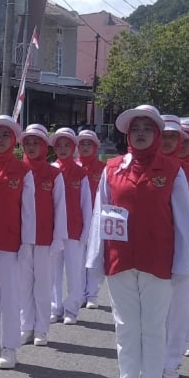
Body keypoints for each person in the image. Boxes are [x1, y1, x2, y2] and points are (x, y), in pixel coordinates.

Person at [86, 105, 189, 378]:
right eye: (135, 129)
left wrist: (181, 265)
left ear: (157, 134)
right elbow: (100, 215)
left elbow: (183, 222)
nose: (141, 133)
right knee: (125, 326)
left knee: (153, 327)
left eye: (147, 128)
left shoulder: (172, 170)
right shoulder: (113, 168)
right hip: (120, 259)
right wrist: (96, 259)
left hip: (157, 260)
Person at [0, 115, 34, 371]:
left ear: (13, 140)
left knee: (11, 296)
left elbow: (29, 211)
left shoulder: (23, 171)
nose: (0, 140)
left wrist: (27, 244)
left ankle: (10, 347)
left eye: (5, 136)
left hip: (12, 244)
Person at [160, 116, 189, 378]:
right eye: (163, 136)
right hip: (151, 251)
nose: (167, 141)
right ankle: (150, 360)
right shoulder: (142, 167)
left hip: (181, 251)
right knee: (152, 312)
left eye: (173, 137)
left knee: (177, 308)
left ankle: (171, 361)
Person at [18, 123, 66, 346]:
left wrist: (58, 239)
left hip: (46, 239)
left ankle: (41, 329)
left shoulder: (54, 174)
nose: (31, 146)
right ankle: (26, 326)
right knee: (24, 284)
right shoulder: (18, 170)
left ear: (44, 146)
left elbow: (60, 207)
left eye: (35, 142)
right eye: (27, 142)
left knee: (43, 284)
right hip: (21, 239)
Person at [49, 127, 92, 326]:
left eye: (67, 145)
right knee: (54, 272)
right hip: (54, 231)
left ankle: (72, 309)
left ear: (74, 147)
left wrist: (86, 232)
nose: (63, 149)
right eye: (59, 145)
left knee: (74, 272)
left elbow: (86, 205)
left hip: (74, 230)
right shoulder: (50, 169)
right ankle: (55, 307)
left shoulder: (80, 173)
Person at [76, 129, 106, 309]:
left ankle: (92, 294)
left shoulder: (103, 168)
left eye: (89, 144)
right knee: (79, 258)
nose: (85, 147)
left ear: (95, 147)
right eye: (82, 144)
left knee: (95, 255)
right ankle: (80, 293)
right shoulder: (73, 166)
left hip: (98, 217)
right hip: (77, 218)